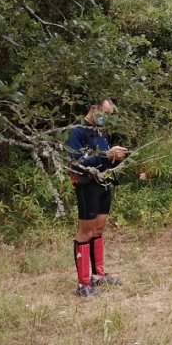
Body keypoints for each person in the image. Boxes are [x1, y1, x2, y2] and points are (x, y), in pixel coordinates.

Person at [66, 98, 128, 297]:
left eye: (108, 115)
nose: (105, 118)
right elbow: (75, 162)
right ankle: (83, 284)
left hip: (104, 183)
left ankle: (98, 275)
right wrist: (104, 154)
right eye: (103, 113)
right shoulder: (76, 131)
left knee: (99, 228)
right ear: (94, 109)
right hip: (87, 185)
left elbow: (102, 157)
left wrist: (114, 156)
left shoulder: (100, 131)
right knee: (85, 231)